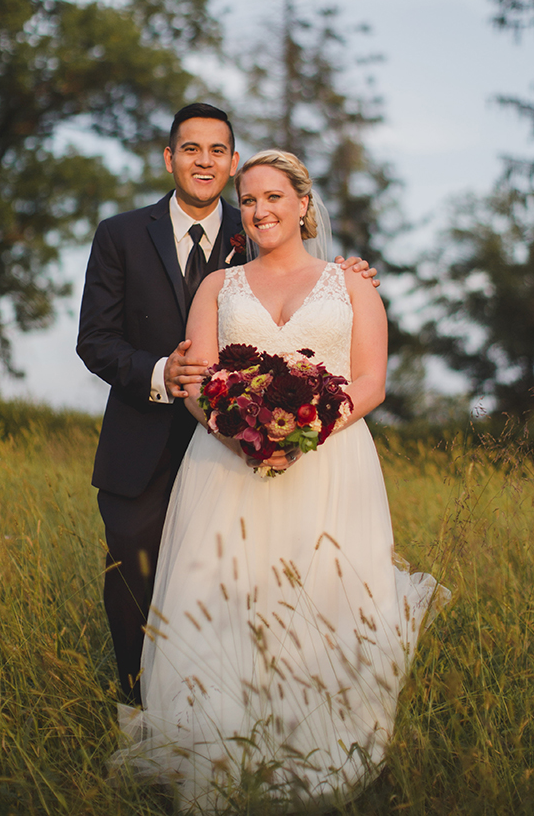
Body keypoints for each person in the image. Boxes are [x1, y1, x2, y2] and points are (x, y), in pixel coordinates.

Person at [111, 149, 449, 809]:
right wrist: (245, 435)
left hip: (330, 460)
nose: (261, 209)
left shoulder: (351, 284)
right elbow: (197, 383)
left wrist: (303, 435)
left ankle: (320, 753)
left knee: (323, 602)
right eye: (251, 199)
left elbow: (372, 380)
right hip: (225, 466)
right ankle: (217, 753)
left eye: (274, 196)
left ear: (302, 203)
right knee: (224, 602)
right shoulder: (219, 287)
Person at [76, 105, 377, 703]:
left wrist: (343, 276)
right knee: (135, 573)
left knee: (248, 582)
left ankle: (253, 706)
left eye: (217, 151)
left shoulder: (261, 222)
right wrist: (164, 372)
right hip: (146, 435)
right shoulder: (120, 235)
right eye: (191, 149)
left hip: (257, 445)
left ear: (233, 162)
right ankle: (139, 703)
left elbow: (305, 281)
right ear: (170, 158)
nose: (204, 161)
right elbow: (96, 339)